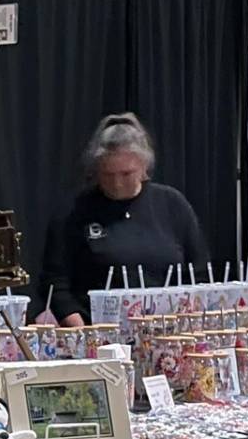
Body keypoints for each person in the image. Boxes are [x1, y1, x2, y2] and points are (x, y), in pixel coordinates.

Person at [41, 112, 211, 325]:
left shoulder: (173, 204)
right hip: (96, 331)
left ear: (144, 168)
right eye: (108, 175)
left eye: (126, 174)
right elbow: (55, 282)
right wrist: (81, 331)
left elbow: (199, 273)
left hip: (167, 329)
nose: (117, 183)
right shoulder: (73, 212)